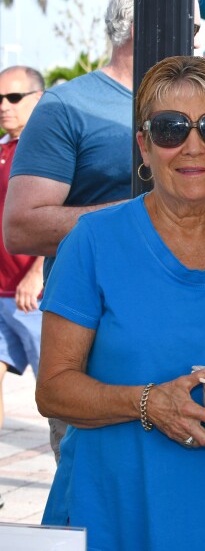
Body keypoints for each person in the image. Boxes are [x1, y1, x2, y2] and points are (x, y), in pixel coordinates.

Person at [35, 56, 205, 551]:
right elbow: (53, 392)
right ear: (143, 145)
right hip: (109, 520)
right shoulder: (94, 241)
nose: (193, 146)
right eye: (170, 129)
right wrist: (147, 403)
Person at [2, 0, 205, 461]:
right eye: (191, 28)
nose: (198, 41)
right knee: (100, 495)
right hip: (95, 347)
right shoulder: (67, 106)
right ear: (146, 25)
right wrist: (147, 212)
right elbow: (21, 226)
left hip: (194, 338)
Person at [0, 66, 44, 510]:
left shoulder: (47, 150)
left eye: (14, 97)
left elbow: (56, 212)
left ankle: (73, 487)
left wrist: (38, 271)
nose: (4, 106)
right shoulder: (4, 150)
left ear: (38, 96)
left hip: (31, 298)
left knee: (57, 402)